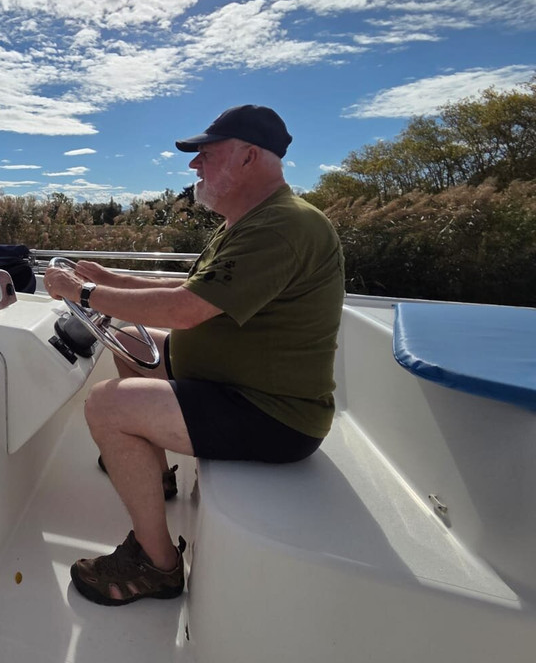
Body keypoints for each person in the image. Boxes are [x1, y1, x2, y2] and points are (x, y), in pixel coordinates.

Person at [43, 104, 345, 607]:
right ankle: (154, 478)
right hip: (234, 383)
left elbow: (185, 309)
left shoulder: (282, 227)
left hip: (271, 413)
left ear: (250, 157)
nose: (193, 165)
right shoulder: (249, 221)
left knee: (106, 406)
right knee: (135, 345)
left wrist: (86, 292)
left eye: (206, 153)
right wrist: (110, 279)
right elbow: (190, 287)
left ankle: (155, 565)